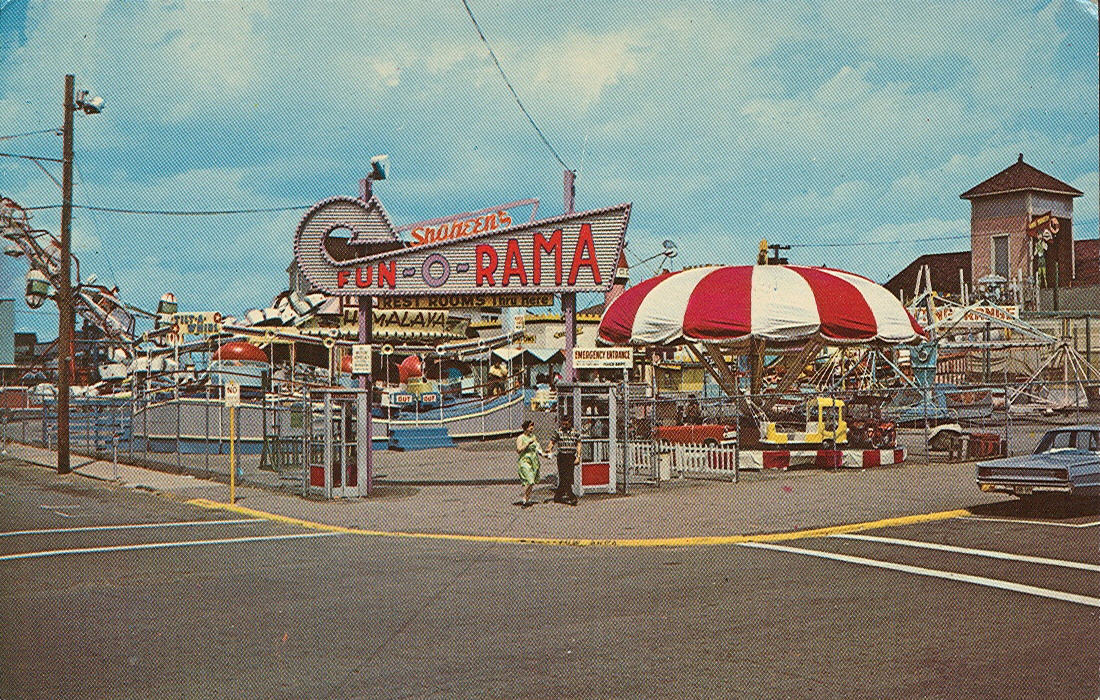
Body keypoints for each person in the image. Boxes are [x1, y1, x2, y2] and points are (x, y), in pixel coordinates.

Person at [515, 419, 548, 507]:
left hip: (534, 461)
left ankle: (527, 499)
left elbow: (538, 448)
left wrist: (545, 454)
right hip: (525, 461)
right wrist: (527, 444)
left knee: (532, 481)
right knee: (529, 479)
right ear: (525, 428)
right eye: (530, 426)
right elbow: (519, 450)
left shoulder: (533, 437)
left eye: (532, 426)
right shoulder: (520, 438)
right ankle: (524, 499)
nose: (532, 428)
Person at [548, 415, 580, 505]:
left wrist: (578, 456)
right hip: (562, 456)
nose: (564, 426)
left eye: (566, 424)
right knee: (563, 476)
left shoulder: (575, 432)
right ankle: (571, 496)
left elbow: (578, 443)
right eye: (563, 424)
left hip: (570, 456)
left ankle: (559, 495)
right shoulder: (558, 432)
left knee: (569, 476)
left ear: (570, 423)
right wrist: (549, 449)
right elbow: (552, 441)